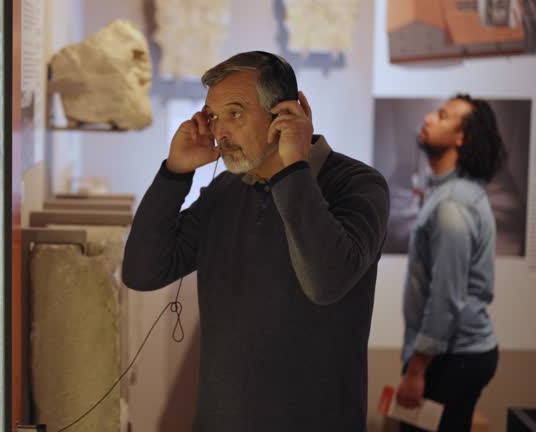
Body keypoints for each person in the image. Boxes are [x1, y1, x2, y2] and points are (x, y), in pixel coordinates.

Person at [121, 51, 390, 431]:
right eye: (213, 116)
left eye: (235, 113)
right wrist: (174, 174)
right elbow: (142, 271)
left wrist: (293, 168)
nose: (219, 132)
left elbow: (325, 282)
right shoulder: (227, 190)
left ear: (285, 115)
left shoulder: (358, 185)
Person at [397, 94, 504, 431]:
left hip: (450, 359)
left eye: (443, 116)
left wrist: (416, 370)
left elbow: (446, 297)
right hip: (454, 355)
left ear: (463, 137)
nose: (428, 118)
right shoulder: (457, 192)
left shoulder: (452, 205)